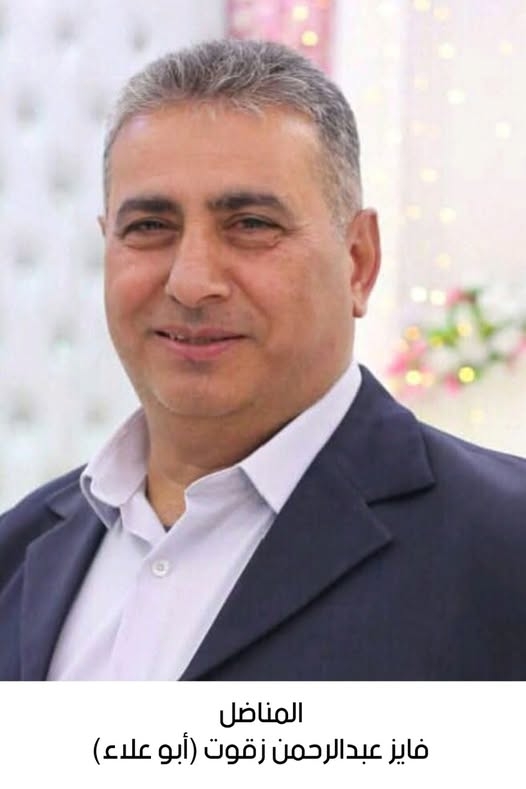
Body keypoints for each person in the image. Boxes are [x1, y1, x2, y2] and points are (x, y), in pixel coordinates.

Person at [1, 39, 526, 681]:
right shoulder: (18, 553)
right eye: (150, 227)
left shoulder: (505, 546)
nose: (191, 283)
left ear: (358, 262)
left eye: (251, 224)